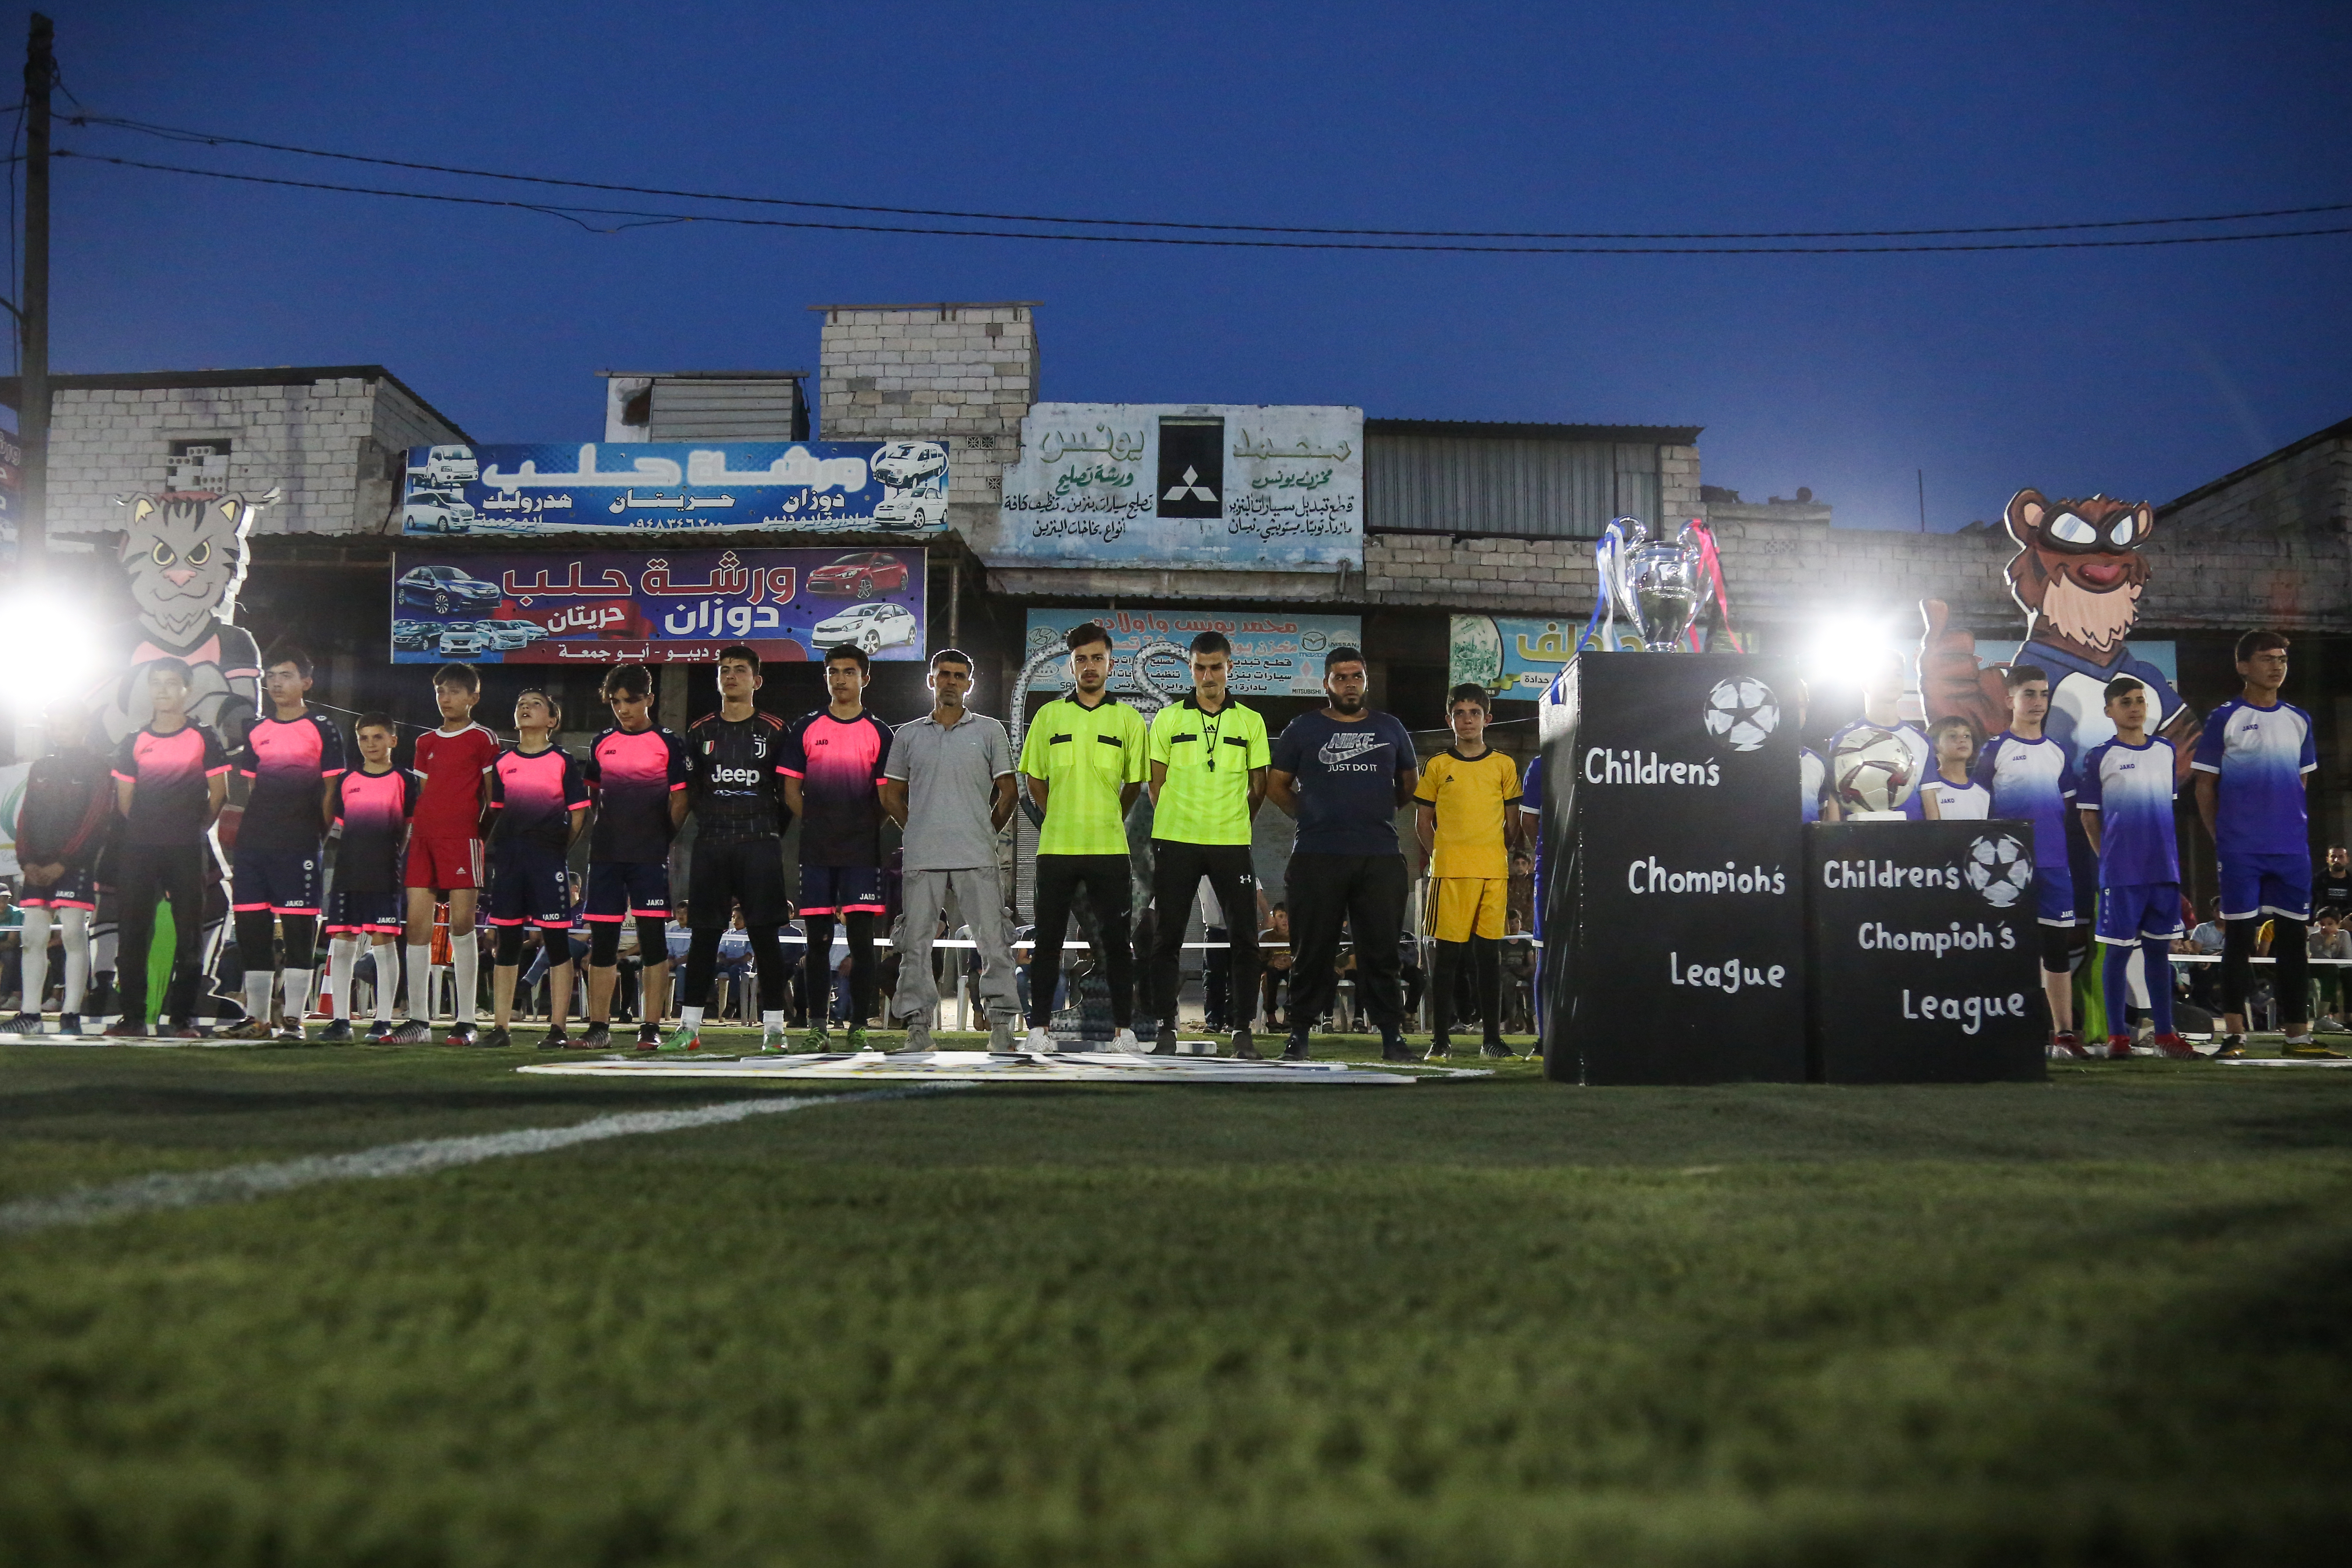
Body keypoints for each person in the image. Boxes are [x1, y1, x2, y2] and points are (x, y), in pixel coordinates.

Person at [1266, 644, 1419, 1062]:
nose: (1350, 685)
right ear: (1326, 683)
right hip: (1318, 855)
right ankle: (1298, 1036)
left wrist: (1374, 815)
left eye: (1356, 677)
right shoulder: (1303, 728)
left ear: (1366, 682)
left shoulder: (1391, 728)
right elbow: (1277, 786)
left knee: (1381, 952)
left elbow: (1408, 784)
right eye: (1341, 677)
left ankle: (1392, 1037)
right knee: (1312, 951)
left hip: (1380, 857)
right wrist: (1311, 817)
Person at [2193, 630, 2328, 1057]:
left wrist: (2290, 827)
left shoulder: (2299, 718)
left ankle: (2297, 1036)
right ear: (2243, 666)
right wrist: (2223, 839)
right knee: (2240, 940)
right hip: (2241, 849)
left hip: (2291, 850)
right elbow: (2204, 787)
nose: (2278, 665)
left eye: (2283, 659)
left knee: (2293, 940)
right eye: (2268, 658)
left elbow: (2300, 781)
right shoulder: (2224, 717)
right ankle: (2235, 1035)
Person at [880, 647, 1021, 1054]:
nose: (951, 682)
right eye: (944, 674)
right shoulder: (907, 734)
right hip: (923, 857)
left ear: (969, 684)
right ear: (932, 680)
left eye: (959, 676)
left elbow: (1009, 793)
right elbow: (891, 797)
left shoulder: (990, 730)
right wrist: (920, 830)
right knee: (914, 946)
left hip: (976, 854)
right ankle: (919, 1033)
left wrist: (984, 832)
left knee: (994, 943)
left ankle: (1001, 1030)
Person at [1016, 622, 1146, 1054]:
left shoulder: (1128, 719)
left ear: (1112, 663)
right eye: (1081, 659)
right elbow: (1035, 777)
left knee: (1116, 943)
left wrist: (1111, 814)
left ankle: (1123, 1032)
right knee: (1049, 941)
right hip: (1057, 848)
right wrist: (1059, 814)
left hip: (1110, 848)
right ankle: (1038, 1029)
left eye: (1097, 658)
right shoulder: (1049, 715)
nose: (1089, 666)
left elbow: (1133, 783)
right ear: (1070, 665)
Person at [1145, 631, 1272, 1058]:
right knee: (1168, 938)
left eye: (1216, 667)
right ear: (1191, 669)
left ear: (1229, 669)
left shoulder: (1250, 721)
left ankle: (1242, 1031)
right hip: (1176, 841)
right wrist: (1178, 821)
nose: (1208, 675)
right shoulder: (1169, 719)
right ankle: (1166, 1028)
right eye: (1200, 667)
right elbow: (1155, 784)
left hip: (1231, 841)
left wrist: (1232, 821)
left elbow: (1259, 788)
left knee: (1245, 938)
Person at [668, 646, 795, 1051]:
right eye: (724, 670)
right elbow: (690, 793)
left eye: (740, 670)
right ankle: (689, 1029)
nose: (730, 676)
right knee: (704, 936)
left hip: (759, 843)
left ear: (756, 681)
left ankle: (774, 1032)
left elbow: (787, 795)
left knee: (765, 937)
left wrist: (769, 832)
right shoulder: (701, 731)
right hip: (712, 844)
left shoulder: (776, 730)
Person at [221, 642, 344, 1043]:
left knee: (297, 932)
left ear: (306, 682)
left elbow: (331, 792)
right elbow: (255, 791)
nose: (276, 683)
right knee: (253, 930)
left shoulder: (323, 727)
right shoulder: (255, 729)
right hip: (254, 845)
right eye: (271, 677)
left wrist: (315, 838)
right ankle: (257, 1019)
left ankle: (294, 1020)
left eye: (286, 676)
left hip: (300, 845)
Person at [103, 660, 229, 1037]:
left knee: (189, 934)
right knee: (133, 934)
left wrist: (191, 829)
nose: (161, 690)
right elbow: (125, 802)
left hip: (187, 848)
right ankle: (133, 1018)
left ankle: (182, 1019)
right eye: (155, 683)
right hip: (139, 849)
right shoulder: (134, 740)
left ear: (186, 690)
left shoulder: (203, 737)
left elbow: (220, 794)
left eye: (170, 684)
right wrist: (151, 829)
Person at [781, 645, 895, 1051]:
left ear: (865, 678)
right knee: (818, 942)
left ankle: (859, 1027)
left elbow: (885, 800)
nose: (841, 679)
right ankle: (817, 1027)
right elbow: (791, 790)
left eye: (849, 672)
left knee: (863, 942)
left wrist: (861, 829)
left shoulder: (882, 733)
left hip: (862, 854)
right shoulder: (806, 727)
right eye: (833, 672)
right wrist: (816, 826)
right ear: (826, 677)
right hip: (816, 853)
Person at [2078, 677, 2191, 1060]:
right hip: (2122, 874)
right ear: (2109, 711)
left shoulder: (2165, 751)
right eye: (2125, 701)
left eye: (2140, 700)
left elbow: (2166, 809)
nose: (2134, 707)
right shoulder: (2099, 757)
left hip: (2163, 870)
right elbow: (2089, 818)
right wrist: (2109, 858)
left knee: (2160, 954)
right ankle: (2118, 1038)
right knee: (2118, 954)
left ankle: (2164, 1036)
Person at [1975, 665, 2085, 1056]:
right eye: (2029, 694)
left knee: (2056, 949)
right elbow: (1980, 809)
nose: (2038, 702)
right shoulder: (1995, 750)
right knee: (2009, 950)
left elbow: (2070, 816)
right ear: (2010, 700)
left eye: (2043, 694)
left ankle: (2064, 1036)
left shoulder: (2058, 753)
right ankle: (2009, 1033)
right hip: (2006, 869)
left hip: (2055, 866)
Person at [578, 664, 688, 1051]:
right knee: (604, 943)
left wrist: (658, 837)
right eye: (616, 701)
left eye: (631, 700)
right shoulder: (601, 742)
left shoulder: (669, 742)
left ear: (650, 700)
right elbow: (594, 797)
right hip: (606, 856)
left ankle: (650, 1028)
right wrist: (610, 830)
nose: (623, 708)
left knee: (653, 942)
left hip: (649, 857)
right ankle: (598, 1028)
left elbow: (681, 800)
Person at [389, 663, 497, 1045]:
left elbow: (493, 797)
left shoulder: (483, 738)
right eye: (440, 692)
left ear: (474, 698)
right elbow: (422, 797)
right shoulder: (425, 743)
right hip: (424, 840)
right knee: (417, 927)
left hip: (463, 840)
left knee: (462, 927)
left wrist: (476, 836)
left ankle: (466, 1020)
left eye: (454, 691)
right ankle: (418, 1019)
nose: (446, 698)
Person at [1413, 683, 1523, 1058]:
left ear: (1487, 719)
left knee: (1489, 959)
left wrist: (1492, 853)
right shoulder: (1438, 765)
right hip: (1451, 874)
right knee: (1448, 960)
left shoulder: (1504, 765)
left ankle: (1491, 1040)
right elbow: (1423, 822)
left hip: (1493, 873)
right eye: (1460, 713)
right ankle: (1440, 1040)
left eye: (1475, 713)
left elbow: (1512, 826)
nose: (1468, 719)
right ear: (1449, 719)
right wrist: (1440, 856)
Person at [481, 690, 588, 1049]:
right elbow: (498, 812)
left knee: (556, 942)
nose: (525, 707)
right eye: (520, 704)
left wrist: (555, 851)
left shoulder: (562, 760)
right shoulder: (502, 762)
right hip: (511, 861)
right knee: (507, 941)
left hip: (547, 861)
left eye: (535, 704)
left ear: (553, 721)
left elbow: (578, 815)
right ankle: (501, 1028)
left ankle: (558, 1029)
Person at [11, 702, 111, 1035]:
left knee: (71, 933)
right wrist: (26, 861)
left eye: (64, 725)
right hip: (37, 865)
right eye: (53, 726)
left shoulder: (97, 768)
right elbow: (25, 816)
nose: (57, 732)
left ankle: (71, 1013)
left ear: (83, 727)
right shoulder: (41, 765)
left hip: (73, 865)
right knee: (32, 937)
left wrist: (64, 862)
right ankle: (30, 1014)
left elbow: (95, 820)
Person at [321, 714, 421, 1043]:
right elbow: (338, 824)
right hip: (348, 870)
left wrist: (391, 857)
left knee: (383, 941)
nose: (370, 744)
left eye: (377, 737)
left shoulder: (406, 779)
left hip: (384, 872)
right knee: (343, 941)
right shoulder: (348, 779)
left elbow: (407, 828)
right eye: (364, 738)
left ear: (393, 740)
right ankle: (340, 1021)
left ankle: (383, 1021)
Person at [1827, 649, 1934, 817]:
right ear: (1865, 684)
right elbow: (1835, 799)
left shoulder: (1921, 741)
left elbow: (1929, 799)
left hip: (1911, 838)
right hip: (1860, 837)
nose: (1892, 680)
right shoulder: (1845, 738)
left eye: (1898, 674)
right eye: (1883, 674)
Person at [1918, 717, 1990, 820]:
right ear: (1935, 745)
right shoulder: (1927, 789)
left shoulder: (1984, 794)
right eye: (1952, 736)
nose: (1962, 740)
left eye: (1967, 736)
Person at [2308, 909, 2350, 1032]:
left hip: (2336, 967)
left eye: (2330, 924)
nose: (2325, 927)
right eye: (2322, 924)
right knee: (2331, 971)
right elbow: (2322, 960)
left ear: (2338, 925)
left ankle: (2349, 1015)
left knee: (2349, 973)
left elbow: (2348, 958)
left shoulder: (2344, 935)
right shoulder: (2314, 937)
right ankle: (2324, 1017)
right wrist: (2327, 945)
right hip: (2317, 968)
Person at [2317, 847, 2352, 918]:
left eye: (2341, 857)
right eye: (2333, 857)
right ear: (2327, 859)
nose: (2337, 860)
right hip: (2323, 925)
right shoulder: (2317, 881)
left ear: (2348, 859)